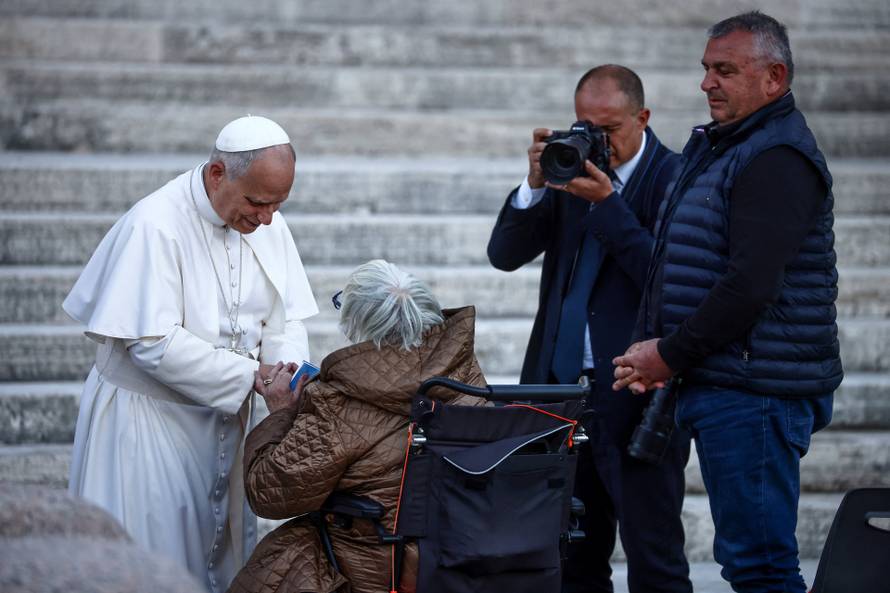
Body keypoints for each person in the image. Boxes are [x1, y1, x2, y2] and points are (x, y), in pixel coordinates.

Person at [613, 12, 842, 593]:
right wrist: (660, 353)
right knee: (750, 562)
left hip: (757, 393)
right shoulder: (725, 144)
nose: (707, 83)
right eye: (706, 69)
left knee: (760, 567)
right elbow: (679, 263)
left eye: (725, 70)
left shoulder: (777, 157)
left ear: (774, 77)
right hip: (725, 383)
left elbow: (749, 285)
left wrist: (669, 353)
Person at [63, 115, 319, 593]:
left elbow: (285, 316)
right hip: (147, 428)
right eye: (258, 202)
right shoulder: (154, 225)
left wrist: (285, 371)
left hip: (224, 422)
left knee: (217, 563)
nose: (266, 219)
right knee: (149, 564)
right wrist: (252, 376)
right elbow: (149, 341)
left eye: (277, 205)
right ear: (218, 174)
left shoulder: (267, 222)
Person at [487, 65, 691, 593]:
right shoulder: (567, 170)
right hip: (560, 399)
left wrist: (608, 204)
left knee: (654, 557)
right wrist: (535, 186)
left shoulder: (677, 177)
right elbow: (504, 255)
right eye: (583, 124)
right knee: (571, 562)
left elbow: (666, 278)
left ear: (642, 118)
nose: (595, 139)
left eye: (609, 128)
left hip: (637, 395)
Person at [226, 260, 486, 593]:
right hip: (458, 556)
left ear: (357, 326)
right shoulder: (468, 379)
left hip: (372, 565)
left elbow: (269, 494)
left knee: (281, 560)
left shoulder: (338, 404)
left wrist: (280, 412)